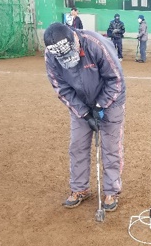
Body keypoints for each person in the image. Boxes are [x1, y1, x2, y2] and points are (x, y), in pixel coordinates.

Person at [43, 22, 126, 211]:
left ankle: (111, 191)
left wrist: (99, 107)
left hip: (111, 100)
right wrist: (85, 113)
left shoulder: (95, 44)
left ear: (74, 40)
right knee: (77, 145)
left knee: (110, 147)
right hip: (80, 103)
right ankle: (80, 188)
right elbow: (61, 88)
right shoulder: (51, 56)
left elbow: (116, 80)